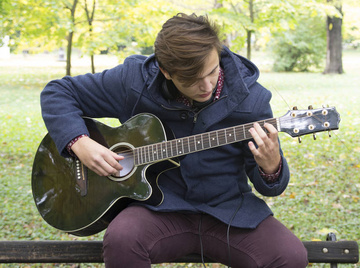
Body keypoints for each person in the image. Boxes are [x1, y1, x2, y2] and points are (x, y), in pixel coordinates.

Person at [40, 13, 308, 268]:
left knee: (290, 256)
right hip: (158, 210)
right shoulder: (135, 81)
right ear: (165, 71)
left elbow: (270, 188)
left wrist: (271, 167)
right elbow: (58, 92)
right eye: (191, 80)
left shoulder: (253, 99)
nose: (206, 86)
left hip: (229, 212)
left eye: (212, 72)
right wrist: (79, 142)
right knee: (122, 238)